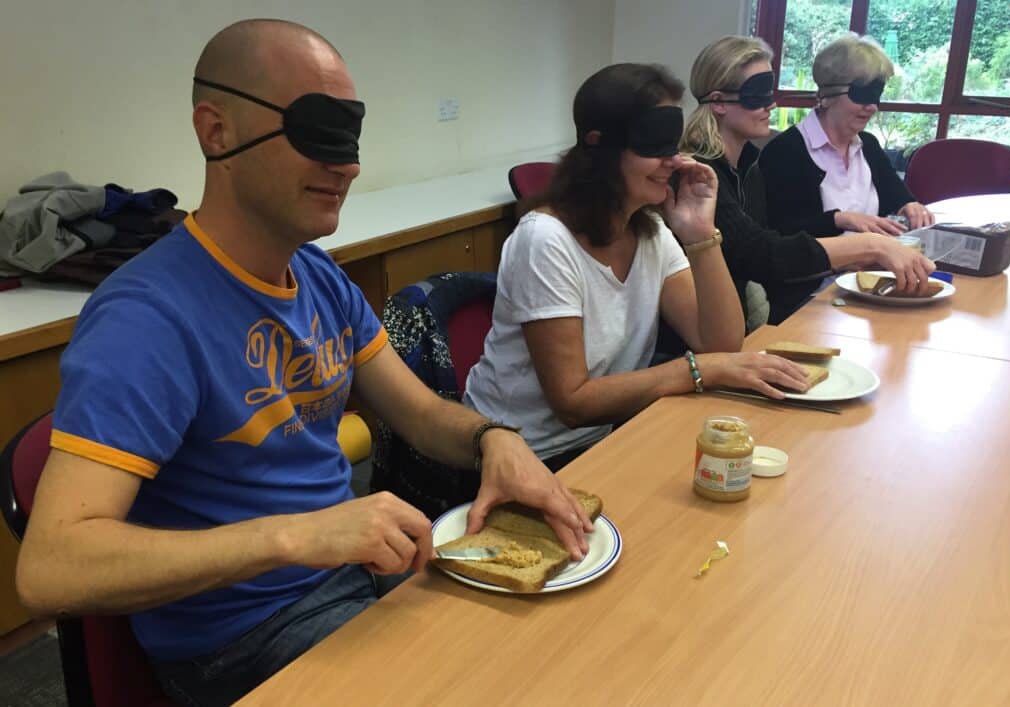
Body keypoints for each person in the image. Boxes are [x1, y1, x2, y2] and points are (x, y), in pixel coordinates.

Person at [15, 19, 591, 707]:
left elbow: (420, 411)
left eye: (351, 137)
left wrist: (492, 440)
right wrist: (298, 535)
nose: (346, 164)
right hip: (245, 632)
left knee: (558, 651)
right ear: (216, 130)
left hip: (355, 573)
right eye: (318, 132)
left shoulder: (318, 278)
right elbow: (51, 567)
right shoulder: (146, 318)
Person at [463, 63, 812, 471]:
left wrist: (699, 233)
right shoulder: (545, 241)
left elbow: (720, 343)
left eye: (674, 143)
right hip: (520, 454)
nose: (674, 160)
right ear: (600, 148)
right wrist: (696, 371)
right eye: (654, 144)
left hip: (604, 437)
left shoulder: (650, 232)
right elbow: (572, 402)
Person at [682, 36, 937, 322]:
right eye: (759, 93)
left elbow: (766, 242)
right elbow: (760, 254)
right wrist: (867, 244)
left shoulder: (747, 164)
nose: (772, 105)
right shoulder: (699, 174)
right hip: (711, 328)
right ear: (718, 103)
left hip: (740, 319)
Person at [758, 33, 935, 238]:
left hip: (874, 265)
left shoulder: (868, 145)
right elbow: (781, 233)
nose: (872, 107)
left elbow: (898, 199)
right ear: (827, 96)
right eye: (862, 95)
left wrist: (910, 206)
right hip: (818, 269)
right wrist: (840, 219)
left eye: (876, 95)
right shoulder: (785, 151)